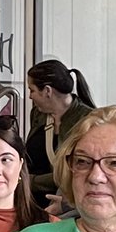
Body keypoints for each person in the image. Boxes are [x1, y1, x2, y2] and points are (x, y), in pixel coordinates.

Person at [23, 60, 95, 208]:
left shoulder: (88, 119)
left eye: (32, 90)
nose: (30, 97)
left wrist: (29, 181)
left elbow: (75, 170)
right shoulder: (38, 114)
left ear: (47, 91)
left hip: (65, 201)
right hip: (32, 197)